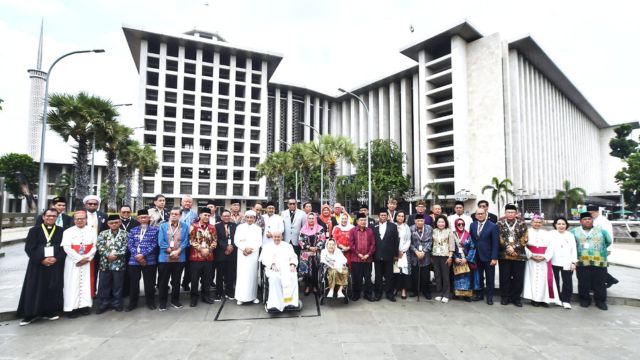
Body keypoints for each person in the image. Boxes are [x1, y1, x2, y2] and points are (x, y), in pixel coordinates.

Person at [17, 209, 65, 326]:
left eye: (54, 216)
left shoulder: (61, 231)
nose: (51, 218)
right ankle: (30, 315)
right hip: (37, 265)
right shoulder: (34, 230)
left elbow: (64, 248)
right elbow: (29, 248)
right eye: (48, 216)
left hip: (54, 264)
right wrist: (41, 260)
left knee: (52, 287)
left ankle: (49, 312)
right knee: (34, 288)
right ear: (43, 217)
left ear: (56, 218)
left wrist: (56, 258)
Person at [571, 212, 612, 310]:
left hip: (600, 261)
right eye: (584, 219)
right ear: (581, 221)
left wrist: (598, 250)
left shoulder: (602, 231)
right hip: (582, 261)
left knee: (600, 282)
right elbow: (571, 245)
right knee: (583, 281)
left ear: (592, 220)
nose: (587, 221)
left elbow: (608, 241)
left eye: (589, 219)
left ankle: (600, 301)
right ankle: (585, 299)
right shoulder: (574, 232)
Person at [62, 211, 97, 318]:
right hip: (73, 262)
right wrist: (79, 259)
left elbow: (95, 246)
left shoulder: (92, 231)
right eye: (77, 219)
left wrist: (88, 258)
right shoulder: (68, 231)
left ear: (86, 219)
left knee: (86, 283)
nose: (80, 220)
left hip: (87, 261)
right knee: (71, 284)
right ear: (74, 220)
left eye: (82, 218)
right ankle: (71, 308)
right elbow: (66, 247)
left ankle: (84, 306)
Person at [523, 215, 560, 307]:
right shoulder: (526, 232)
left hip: (544, 260)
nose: (537, 224)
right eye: (535, 222)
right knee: (532, 279)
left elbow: (551, 247)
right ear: (531, 223)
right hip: (531, 259)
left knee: (544, 280)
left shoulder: (547, 233)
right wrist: (531, 255)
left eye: (539, 222)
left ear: (542, 223)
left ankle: (544, 299)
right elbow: (523, 245)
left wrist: (545, 257)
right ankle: (534, 299)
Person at [157, 207, 189, 311]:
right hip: (165, 258)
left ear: (180, 216)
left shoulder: (184, 226)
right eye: (172, 214)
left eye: (176, 214)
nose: (173, 215)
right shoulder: (163, 226)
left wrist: (178, 251)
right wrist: (171, 252)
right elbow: (161, 241)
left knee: (176, 281)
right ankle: (162, 302)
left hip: (179, 258)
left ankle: (175, 300)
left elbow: (186, 241)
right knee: (163, 281)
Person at [126, 209, 159, 311]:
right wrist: (137, 255)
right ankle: (132, 303)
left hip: (149, 260)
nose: (143, 219)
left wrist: (143, 255)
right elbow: (130, 244)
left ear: (149, 218)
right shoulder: (133, 230)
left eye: (145, 217)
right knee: (134, 283)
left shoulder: (155, 230)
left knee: (149, 283)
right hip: (134, 260)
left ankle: (150, 302)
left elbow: (154, 244)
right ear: (138, 219)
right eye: (141, 217)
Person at [95, 215, 128, 314]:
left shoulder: (125, 234)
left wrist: (116, 255)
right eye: (111, 223)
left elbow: (126, 246)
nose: (114, 224)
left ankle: (117, 304)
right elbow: (99, 245)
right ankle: (103, 305)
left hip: (119, 264)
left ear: (120, 223)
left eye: (116, 222)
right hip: (105, 264)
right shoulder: (103, 234)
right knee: (103, 285)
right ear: (108, 224)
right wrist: (107, 254)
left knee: (118, 286)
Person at [497, 204, 528, 307]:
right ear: (505, 213)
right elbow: (499, 237)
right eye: (508, 212)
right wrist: (508, 247)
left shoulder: (522, 224)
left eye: (512, 212)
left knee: (518, 278)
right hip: (504, 255)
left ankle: (516, 298)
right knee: (504, 277)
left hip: (519, 255)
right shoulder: (500, 223)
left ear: (516, 213)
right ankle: (505, 297)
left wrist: (514, 248)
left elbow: (525, 238)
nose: (510, 214)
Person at [260, 231, 299, 311]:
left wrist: (292, 264)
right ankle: (275, 304)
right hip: (273, 269)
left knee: (293, 275)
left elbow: (293, 257)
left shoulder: (288, 246)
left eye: (278, 237)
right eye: (275, 237)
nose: (277, 238)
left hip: (286, 268)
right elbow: (264, 259)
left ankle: (289, 302)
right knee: (274, 278)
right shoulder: (267, 247)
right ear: (272, 237)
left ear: (282, 237)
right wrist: (271, 264)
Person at [188, 207, 217, 307]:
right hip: (195, 257)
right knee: (194, 279)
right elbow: (191, 240)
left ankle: (206, 296)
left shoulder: (212, 227)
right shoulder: (194, 226)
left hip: (208, 257)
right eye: (205, 215)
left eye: (209, 215)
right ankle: (194, 298)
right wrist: (201, 249)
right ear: (200, 215)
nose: (207, 217)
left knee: (207, 279)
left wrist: (208, 250)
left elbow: (214, 241)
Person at [469, 207, 499, 305]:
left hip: (489, 257)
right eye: (478, 214)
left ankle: (489, 297)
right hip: (476, 257)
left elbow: (495, 243)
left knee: (490, 278)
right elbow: (472, 240)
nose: (480, 215)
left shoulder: (493, 226)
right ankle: (479, 294)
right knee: (479, 277)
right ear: (475, 215)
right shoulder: (472, 225)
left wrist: (494, 257)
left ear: (486, 214)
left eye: (482, 213)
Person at [547, 217, 577, 309]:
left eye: (563, 224)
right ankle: (557, 299)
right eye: (559, 224)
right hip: (553, 261)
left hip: (567, 261)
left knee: (567, 281)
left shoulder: (570, 235)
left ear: (566, 225)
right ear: (555, 225)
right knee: (555, 281)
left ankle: (566, 300)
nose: (561, 226)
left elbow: (574, 249)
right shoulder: (550, 234)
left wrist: (573, 262)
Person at [234, 210, 262, 305]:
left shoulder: (258, 229)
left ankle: (253, 297)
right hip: (242, 254)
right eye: (248, 217)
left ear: (255, 218)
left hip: (253, 255)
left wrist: (251, 250)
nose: (250, 219)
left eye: (252, 217)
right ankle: (240, 297)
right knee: (242, 275)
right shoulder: (239, 227)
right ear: (245, 218)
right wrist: (244, 249)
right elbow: (236, 241)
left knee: (252, 275)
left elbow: (259, 242)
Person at [587, 205, 619, 288]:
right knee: (592, 266)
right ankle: (610, 279)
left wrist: (609, 249)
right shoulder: (591, 220)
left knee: (599, 266)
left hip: (601, 248)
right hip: (591, 248)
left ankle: (608, 280)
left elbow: (609, 236)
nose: (590, 215)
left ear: (597, 212)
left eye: (591, 213)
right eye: (589, 213)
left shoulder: (604, 222)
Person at [372, 208, 399, 302]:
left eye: (385, 215)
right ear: (378, 216)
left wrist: (396, 254)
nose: (383, 217)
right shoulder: (373, 226)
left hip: (389, 255)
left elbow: (396, 241)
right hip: (377, 255)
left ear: (387, 216)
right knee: (378, 276)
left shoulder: (393, 226)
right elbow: (372, 241)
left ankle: (389, 294)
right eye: (381, 215)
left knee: (389, 275)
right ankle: (378, 293)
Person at [349, 213, 376, 301]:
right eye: (361, 220)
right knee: (357, 277)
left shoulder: (370, 231)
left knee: (368, 278)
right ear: (357, 221)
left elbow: (373, 244)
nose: (363, 222)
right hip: (356, 259)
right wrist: (358, 254)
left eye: (365, 220)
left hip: (368, 259)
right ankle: (356, 294)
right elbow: (351, 244)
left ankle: (368, 294)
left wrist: (368, 254)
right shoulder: (353, 231)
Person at [298, 213, 326, 295]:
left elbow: (323, 239)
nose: (311, 220)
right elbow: (300, 241)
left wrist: (316, 247)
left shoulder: (320, 229)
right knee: (306, 270)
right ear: (307, 219)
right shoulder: (303, 229)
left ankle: (314, 286)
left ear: (315, 219)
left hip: (316, 251)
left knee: (315, 268)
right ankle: (307, 286)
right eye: (309, 218)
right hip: (306, 252)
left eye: (312, 218)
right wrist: (309, 247)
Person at [451, 218, 478, 301]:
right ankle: (456, 294)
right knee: (457, 277)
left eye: (462, 224)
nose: (461, 225)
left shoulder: (468, 235)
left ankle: (467, 295)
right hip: (456, 260)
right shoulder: (452, 234)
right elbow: (450, 247)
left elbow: (472, 248)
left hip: (466, 260)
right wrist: (455, 258)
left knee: (467, 278)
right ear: (456, 225)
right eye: (459, 224)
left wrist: (467, 259)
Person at [214, 210, 237, 300]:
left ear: (230, 216)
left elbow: (238, 238)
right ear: (221, 217)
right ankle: (218, 293)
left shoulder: (235, 226)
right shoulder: (216, 226)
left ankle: (229, 292)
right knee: (220, 275)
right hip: (221, 253)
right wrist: (226, 247)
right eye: (224, 216)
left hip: (232, 253)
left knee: (230, 274)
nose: (226, 217)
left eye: (228, 216)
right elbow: (217, 239)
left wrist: (232, 247)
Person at [408, 213, 433, 299]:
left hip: (425, 255)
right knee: (415, 274)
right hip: (414, 255)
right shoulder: (411, 229)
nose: (420, 222)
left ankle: (426, 291)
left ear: (424, 221)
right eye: (418, 221)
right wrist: (416, 252)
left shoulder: (429, 228)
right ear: (415, 221)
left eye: (421, 220)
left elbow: (430, 241)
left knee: (425, 275)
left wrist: (424, 251)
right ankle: (415, 290)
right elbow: (409, 242)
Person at [431, 215, 455, 303]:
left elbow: (452, 245)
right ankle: (439, 293)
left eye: (442, 222)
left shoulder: (449, 232)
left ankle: (446, 294)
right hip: (435, 256)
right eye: (439, 222)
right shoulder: (433, 231)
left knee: (445, 276)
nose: (441, 224)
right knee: (437, 275)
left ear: (445, 223)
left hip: (445, 256)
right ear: (436, 223)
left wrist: (450, 256)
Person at [118, 204, 139, 298]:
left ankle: (132, 292)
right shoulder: (115, 222)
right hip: (118, 253)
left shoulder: (136, 223)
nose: (126, 213)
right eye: (123, 212)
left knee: (132, 274)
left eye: (128, 212)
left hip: (132, 253)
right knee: (120, 274)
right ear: (120, 212)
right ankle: (121, 292)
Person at [180, 195, 198, 291]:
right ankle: (174, 281)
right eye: (185, 201)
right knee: (178, 265)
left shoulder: (195, 215)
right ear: (181, 202)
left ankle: (185, 282)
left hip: (190, 243)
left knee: (189, 265)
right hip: (178, 243)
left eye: (189, 202)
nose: (187, 203)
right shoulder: (176, 213)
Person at [394, 211, 412, 299]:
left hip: (404, 253)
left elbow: (408, 240)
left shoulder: (406, 227)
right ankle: (395, 288)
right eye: (399, 216)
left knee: (404, 271)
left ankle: (403, 290)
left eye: (402, 216)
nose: (400, 217)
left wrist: (402, 251)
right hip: (394, 253)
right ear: (396, 217)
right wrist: (396, 252)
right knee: (395, 271)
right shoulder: (392, 226)